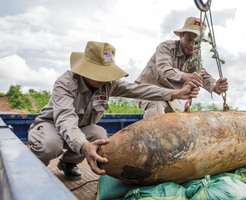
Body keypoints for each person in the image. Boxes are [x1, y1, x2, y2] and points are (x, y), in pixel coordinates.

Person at [28, 41, 200, 180]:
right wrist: (85, 145)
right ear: (85, 69)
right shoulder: (65, 83)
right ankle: (29, 172)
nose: (104, 79)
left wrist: (175, 93)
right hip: (53, 126)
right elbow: (65, 120)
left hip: (81, 128)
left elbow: (139, 90)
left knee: (100, 136)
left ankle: (68, 163)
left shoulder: (108, 84)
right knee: (50, 145)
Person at [135, 17, 229, 118]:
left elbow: (201, 73)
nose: (192, 45)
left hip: (170, 95)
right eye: (189, 39)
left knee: (183, 119)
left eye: (197, 42)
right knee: (156, 109)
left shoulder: (195, 56)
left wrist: (215, 86)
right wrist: (187, 77)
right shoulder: (166, 47)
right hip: (148, 90)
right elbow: (164, 69)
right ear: (181, 35)